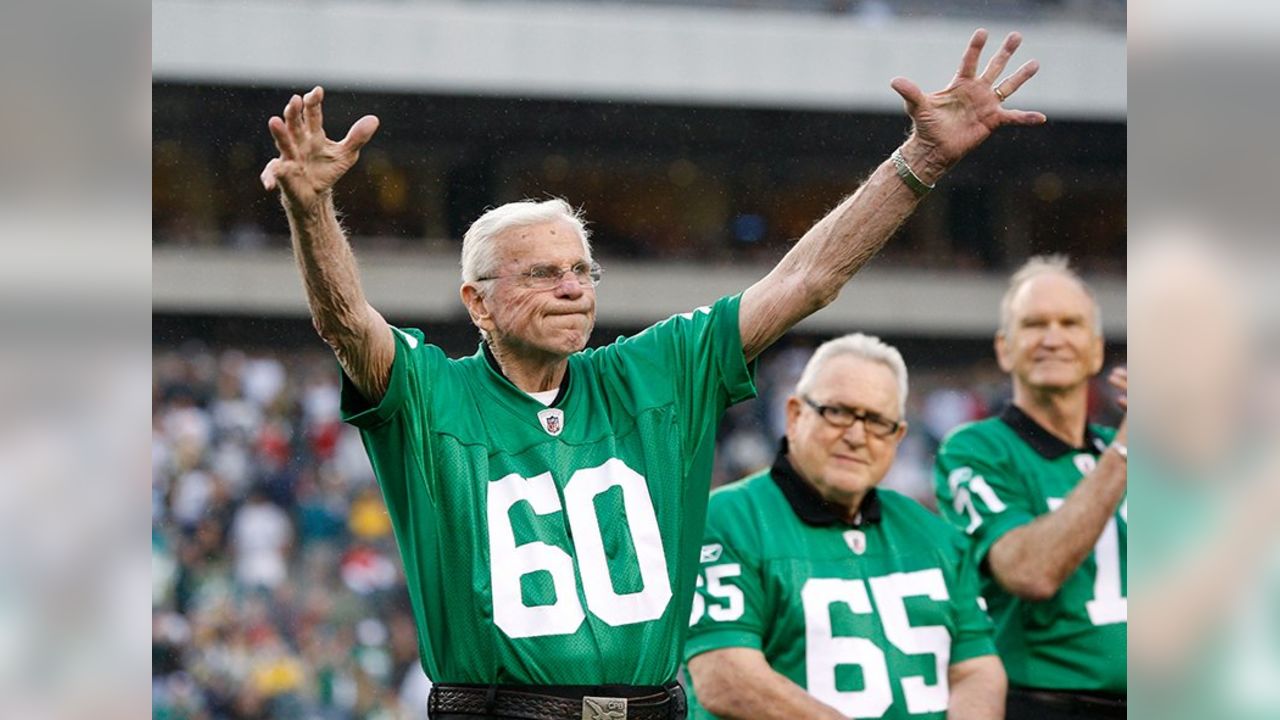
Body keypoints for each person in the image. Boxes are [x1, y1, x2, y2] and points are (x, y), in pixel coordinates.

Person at [260, 29, 1044, 720]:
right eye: (542, 273)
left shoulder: (657, 369)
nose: (572, 287)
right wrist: (310, 209)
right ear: (479, 302)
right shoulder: (432, 394)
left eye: (581, 270)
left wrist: (921, 160)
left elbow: (807, 278)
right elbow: (345, 323)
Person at [684, 334, 1006, 720]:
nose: (856, 436)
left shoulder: (936, 535)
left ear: (899, 436)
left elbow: (977, 669)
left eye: (877, 421)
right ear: (795, 414)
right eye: (837, 412)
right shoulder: (727, 519)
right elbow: (725, 676)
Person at [933, 256, 1127, 719]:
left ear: (1096, 350)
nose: (1053, 338)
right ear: (1004, 348)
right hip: (1043, 704)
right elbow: (1029, 571)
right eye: (1034, 324)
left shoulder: (1117, 449)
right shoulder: (976, 449)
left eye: (1070, 323)